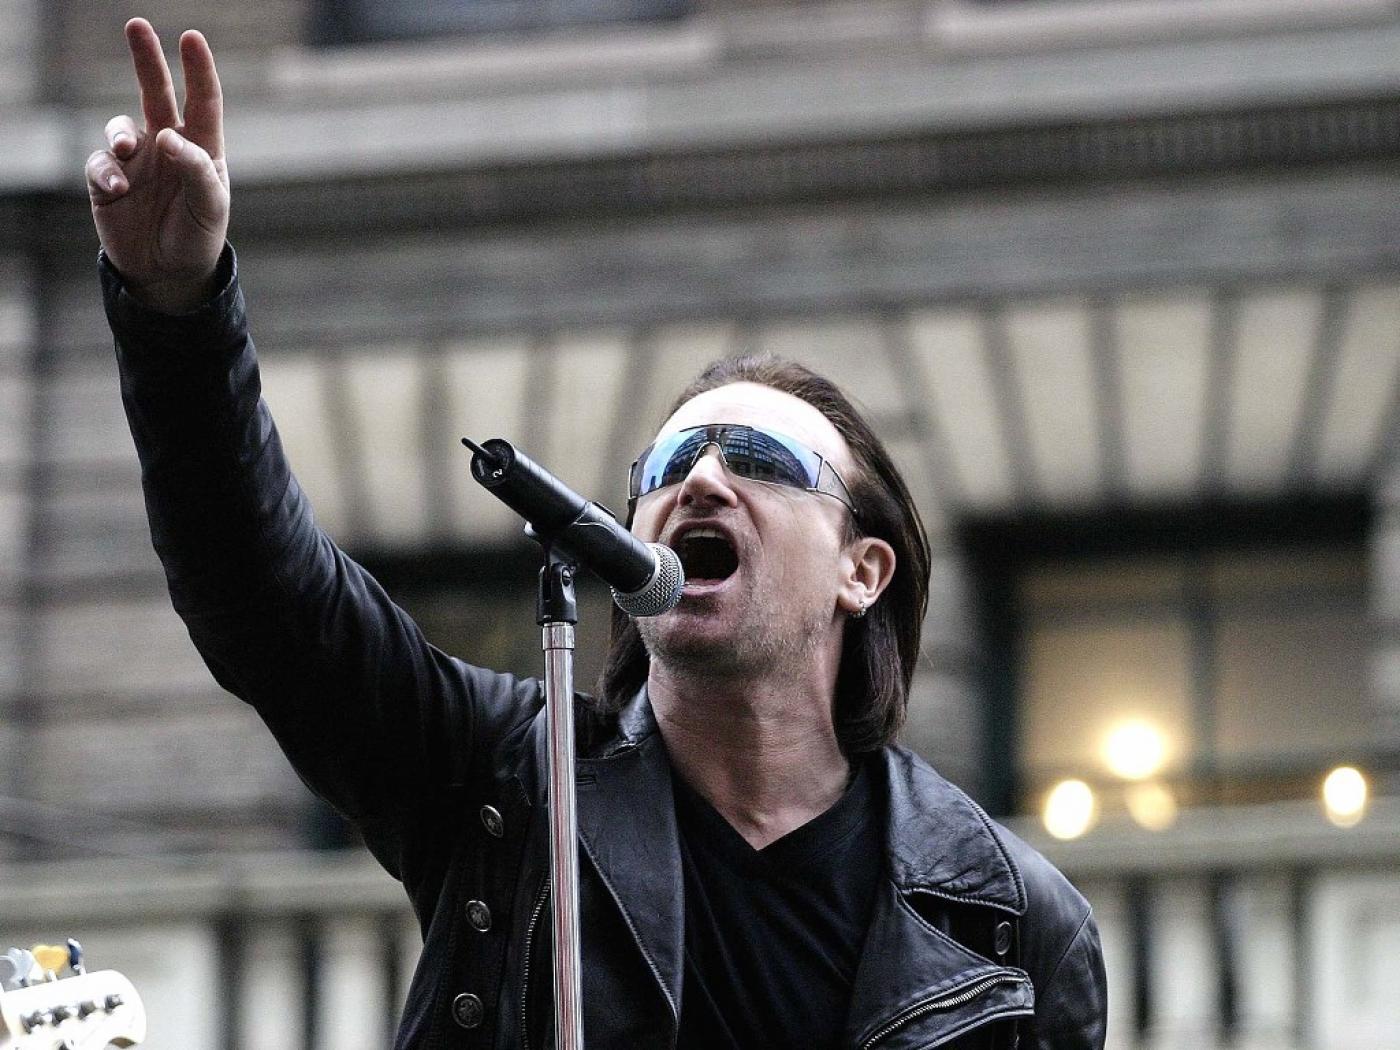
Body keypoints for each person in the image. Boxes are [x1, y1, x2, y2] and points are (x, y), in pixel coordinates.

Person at [88, 19, 1107, 1050]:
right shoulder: (506, 779)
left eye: (760, 459)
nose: (701, 480)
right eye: (666, 466)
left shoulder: (1016, 921)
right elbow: (266, 596)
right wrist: (178, 310)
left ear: (862, 569)